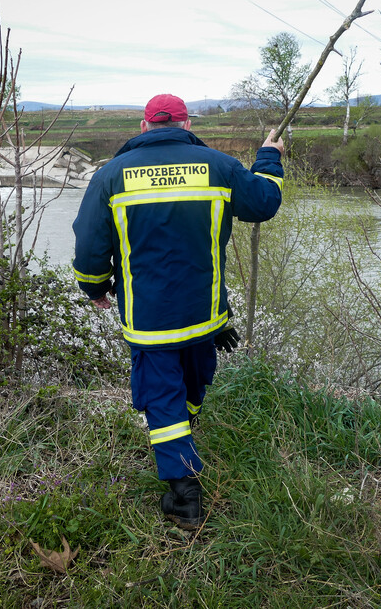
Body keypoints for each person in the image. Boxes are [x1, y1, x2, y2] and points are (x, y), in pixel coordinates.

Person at [72, 93, 284, 530]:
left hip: (149, 319)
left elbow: (89, 244)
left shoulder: (110, 176)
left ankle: (185, 496)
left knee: (164, 398)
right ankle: (181, 442)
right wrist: (269, 156)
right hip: (204, 314)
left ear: (144, 126)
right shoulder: (217, 165)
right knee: (188, 385)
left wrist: (94, 286)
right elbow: (263, 204)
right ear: (187, 124)